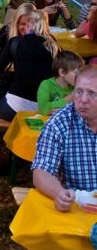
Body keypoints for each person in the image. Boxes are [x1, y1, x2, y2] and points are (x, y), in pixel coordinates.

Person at [0, 10, 61, 174]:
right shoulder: (53, 46)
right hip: (45, 106)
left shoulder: (16, 43)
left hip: (16, 104)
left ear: (29, 24)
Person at [32, 65, 97, 211]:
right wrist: (59, 194)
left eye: (92, 93)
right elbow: (41, 172)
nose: (83, 100)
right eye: (79, 92)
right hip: (76, 206)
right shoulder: (59, 123)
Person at [37, 50, 84, 116]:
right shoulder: (46, 85)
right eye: (76, 73)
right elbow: (43, 109)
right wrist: (68, 99)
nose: (80, 76)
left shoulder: (77, 86)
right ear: (62, 72)